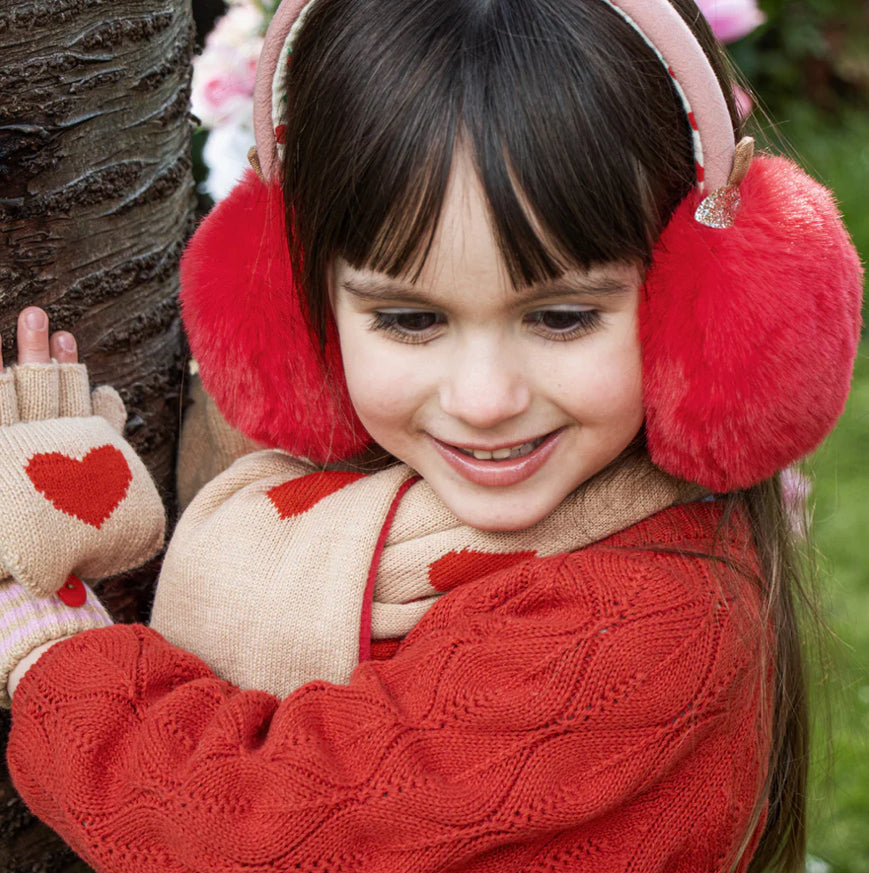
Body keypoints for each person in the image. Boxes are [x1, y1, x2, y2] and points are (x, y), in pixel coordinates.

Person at [0, 0, 863, 871]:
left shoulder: (634, 621)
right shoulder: (395, 506)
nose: (484, 399)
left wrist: (49, 649)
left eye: (561, 316)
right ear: (297, 306)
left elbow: (256, 831)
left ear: (707, 314)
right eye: (410, 318)